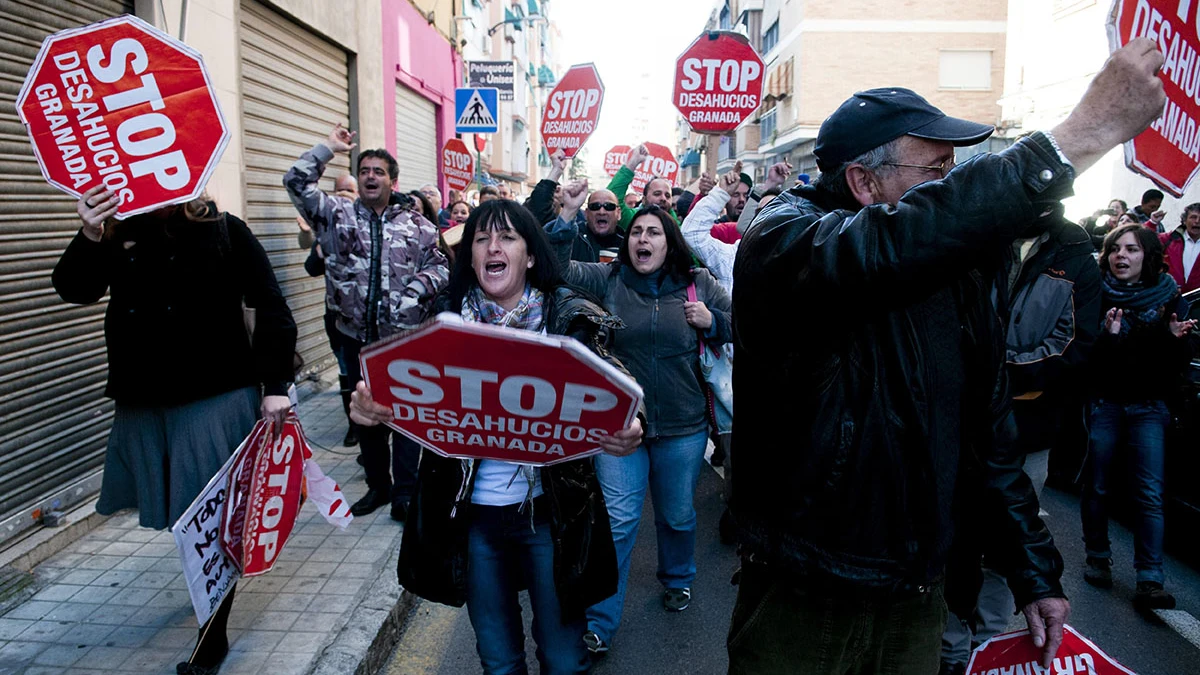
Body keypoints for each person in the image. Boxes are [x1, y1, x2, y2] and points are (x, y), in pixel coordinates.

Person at [727, 38, 1167, 674]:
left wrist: (1033, 571)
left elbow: (988, 438)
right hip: (808, 590)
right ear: (864, 181)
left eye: (953, 170)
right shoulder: (784, 241)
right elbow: (889, 246)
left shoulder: (958, 272)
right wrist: (1080, 134)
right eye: (933, 172)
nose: (951, 184)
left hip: (918, 592)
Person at [349, 199, 643, 675]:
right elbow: (390, 390)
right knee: (499, 662)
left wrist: (633, 423)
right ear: (469, 257)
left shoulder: (567, 317)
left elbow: (617, 382)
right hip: (475, 520)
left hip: (551, 516)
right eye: (482, 239)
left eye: (507, 237)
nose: (493, 246)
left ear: (529, 256)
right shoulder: (442, 325)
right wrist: (369, 408)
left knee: (565, 659)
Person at [53, 186, 297, 675]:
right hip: (143, 400)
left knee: (209, 520)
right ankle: (207, 592)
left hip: (213, 396)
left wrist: (275, 385)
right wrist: (89, 231)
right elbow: (75, 289)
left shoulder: (225, 229)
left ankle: (213, 638)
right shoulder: (118, 231)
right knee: (181, 517)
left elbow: (270, 304)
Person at [548, 183, 733, 654]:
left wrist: (713, 322)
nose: (642, 239)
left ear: (668, 242)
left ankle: (677, 576)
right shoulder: (609, 279)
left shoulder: (698, 283)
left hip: (683, 428)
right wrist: (566, 217)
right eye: (637, 232)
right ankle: (599, 623)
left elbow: (745, 323)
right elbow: (555, 268)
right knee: (620, 522)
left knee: (676, 514)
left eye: (653, 232)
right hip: (619, 431)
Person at [940, 204, 1102, 675]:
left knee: (1006, 537)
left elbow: (1073, 347)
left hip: (1027, 427)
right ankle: (950, 649)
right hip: (958, 420)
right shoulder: (976, 238)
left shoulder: (1074, 255)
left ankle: (986, 649)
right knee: (951, 536)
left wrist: (995, 373)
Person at [284, 123, 449, 521]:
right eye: (365, 170)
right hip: (354, 337)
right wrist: (328, 148)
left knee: (407, 418)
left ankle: (406, 493)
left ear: (393, 181)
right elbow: (295, 181)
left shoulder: (418, 226)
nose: (370, 176)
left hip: (403, 341)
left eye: (379, 171)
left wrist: (415, 294)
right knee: (367, 417)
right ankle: (379, 486)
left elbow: (442, 266)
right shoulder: (334, 214)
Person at [1081, 224, 1196, 612]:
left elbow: (1176, 366)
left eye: (1130, 249)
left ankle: (1150, 579)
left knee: (1148, 493)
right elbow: (1089, 362)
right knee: (1097, 485)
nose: (1120, 256)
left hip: (1149, 406)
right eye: (1115, 249)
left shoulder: (1169, 298)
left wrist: (1174, 338)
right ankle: (1097, 556)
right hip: (1107, 404)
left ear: (1147, 255)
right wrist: (1109, 337)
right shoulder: (1097, 294)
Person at [295, 173, 360, 446]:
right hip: (336, 316)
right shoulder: (328, 228)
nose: (344, 194)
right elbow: (311, 267)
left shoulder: (369, 226)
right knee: (346, 370)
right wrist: (312, 239)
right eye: (339, 190)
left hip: (370, 319)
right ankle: (354, 426)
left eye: (349, 190)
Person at [681, 161, 791, 293]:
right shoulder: (734, 258)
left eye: (773, 211)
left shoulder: (797, 260)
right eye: (760, 212)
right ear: (754, 219)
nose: (766, 218)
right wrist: (720, 194)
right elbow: (692, 233)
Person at [1160, 202, 1200, 293]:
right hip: (1168, 295)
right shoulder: (1168, 239)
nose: (1197, 221)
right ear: (1185, 221)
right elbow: (1143, 243)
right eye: (1193, 217)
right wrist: (1152, 223)